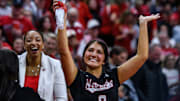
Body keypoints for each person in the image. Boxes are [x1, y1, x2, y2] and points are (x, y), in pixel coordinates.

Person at [54, 0, 160, 101]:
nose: (93, 54)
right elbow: (63, 51)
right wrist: (62, 17)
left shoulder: (114, 76)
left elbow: (142, 56)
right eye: (90, 50)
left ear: (104, 59)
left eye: (99, 52)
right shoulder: (77, 78)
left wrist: (143, 24)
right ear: (84, 55)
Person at [18, 30, 67, 101]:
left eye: (37, 40)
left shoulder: (54, 64)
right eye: (29, 41)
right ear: (24, 45)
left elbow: (61, 98)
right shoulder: (15, 62)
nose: (33, 43)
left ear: (43, 45)